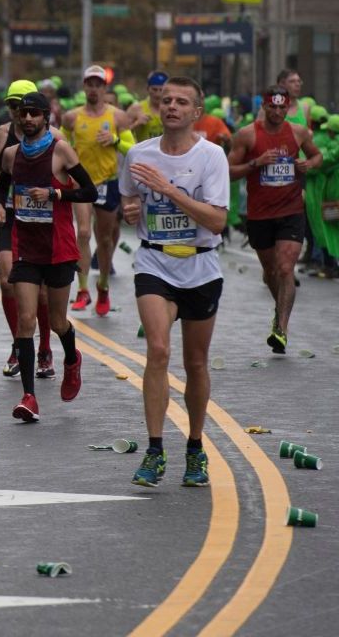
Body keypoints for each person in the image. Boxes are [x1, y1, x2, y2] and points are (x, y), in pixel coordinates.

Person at [121, 77, 229, 488]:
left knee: (195, 363)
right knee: (159, 350)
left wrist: (169, 189)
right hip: (155, 263)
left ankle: (196, 447)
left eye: (182, 102)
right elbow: (130, 200)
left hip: (201, 266)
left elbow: (217, 220)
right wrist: (132, 211)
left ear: (195, 112)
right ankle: (154, 450)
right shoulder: (137, 154)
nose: (172, 107)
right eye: (166, 100)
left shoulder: (211, 156)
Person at [0, 92, 94, 422]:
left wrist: (55, 193)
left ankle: (71, 359)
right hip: (26, 248)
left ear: (46, 117)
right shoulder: (10, 154)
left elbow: (89, 191)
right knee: (26, 320)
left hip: (59, 249)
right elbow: (2, 185)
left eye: (34, 114)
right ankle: (29, 397)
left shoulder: (60, 150)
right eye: (23, 113)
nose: (27, 119)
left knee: (58, 320)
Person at [227, 86, 322, 353]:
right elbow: (227, 170)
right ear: (264, 107)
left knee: (285, 268)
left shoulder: (297, 132)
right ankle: (279, 309)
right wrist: (255, 163)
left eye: (283, 107)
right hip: (260, 214)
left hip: (291, 210)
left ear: (288, 107)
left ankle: (281, 327)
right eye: (273, 107)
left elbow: (317, 155)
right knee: (270, 272)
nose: (278, 112)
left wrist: (309, 165)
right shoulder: (246, 134)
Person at [0, 81, 60, 379]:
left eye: (25, 106)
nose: (20, 113)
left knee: (41, 293)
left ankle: (44, 348)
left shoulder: (55, 138)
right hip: (11, 215)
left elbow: (67, 179)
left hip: (41, 219)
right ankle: (19, 343)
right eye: (14, 106)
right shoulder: (0, 135)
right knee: (7, 282)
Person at [61, 65, 133, 316]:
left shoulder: (117, 117)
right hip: (82, 183)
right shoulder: (71, 117)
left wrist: (114, 140)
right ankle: (82, 290)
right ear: (84, 87)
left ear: (105, 88)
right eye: (89, 84)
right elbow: (59, 144)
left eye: (98, 84)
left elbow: (130, 149)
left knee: (104, 239)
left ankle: (102, 286)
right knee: (82, 233)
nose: (93, 89)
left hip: (107, 182)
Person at [127, 71, 168, 143]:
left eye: (161, 90)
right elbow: (121, 134)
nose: (158, 94)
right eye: (154, 89)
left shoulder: (172, 109)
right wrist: (136, 124)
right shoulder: (136, 108)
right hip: (144, 152)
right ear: (148, 89)